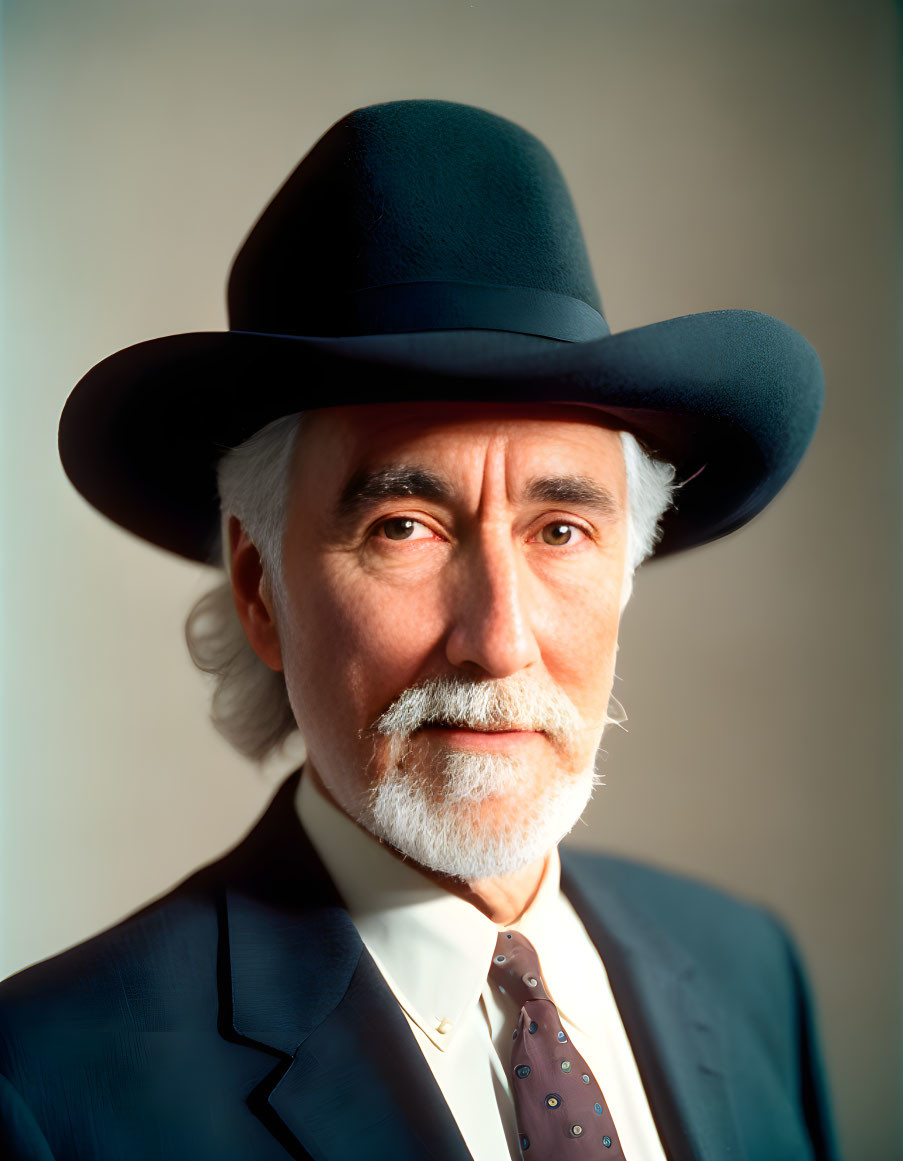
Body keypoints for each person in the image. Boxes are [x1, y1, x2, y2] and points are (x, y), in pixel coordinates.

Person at [0, 100, 838, 1161]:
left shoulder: (749, 969)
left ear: (628, 567)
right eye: (406, 526)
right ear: (260, 588)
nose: (499, 640)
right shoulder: (46, 1087)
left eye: (562, 529)